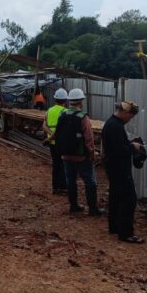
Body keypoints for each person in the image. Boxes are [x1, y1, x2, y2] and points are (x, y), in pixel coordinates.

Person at [55, 88, 103, 216]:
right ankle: (93, 208)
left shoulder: (62, 115)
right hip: (81, 156)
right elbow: (89, 139)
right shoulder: (83, 118)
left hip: (66, 155)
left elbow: (58, 134)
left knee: (70, 181)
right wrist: (92, 154)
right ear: (81, 102)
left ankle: (74, 206)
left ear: (69, 102)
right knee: (89, 181)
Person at [102, 100, 144, 243]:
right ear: (125, 112)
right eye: (130, 116)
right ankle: (126, 233)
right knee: (129, 199)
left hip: (112, 167)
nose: (130, 119)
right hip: (120, 168)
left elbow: (117, 145)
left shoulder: (111, 123)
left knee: (115, 197)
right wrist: (133, 147)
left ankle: (114, 226)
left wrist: (129, 143)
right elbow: (120, 150)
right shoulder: (116, 127)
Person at [43, 88, 68, 195]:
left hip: (52, 144)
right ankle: (62, 188)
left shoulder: (49, 110)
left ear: (55, 100)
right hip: (61, 143)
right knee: (63, 166)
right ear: (65, 100)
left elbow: (44, 125)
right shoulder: (65, 112)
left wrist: (49, 137)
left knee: (56, 165)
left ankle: (55, 187)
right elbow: (60, 129)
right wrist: (53, 137)